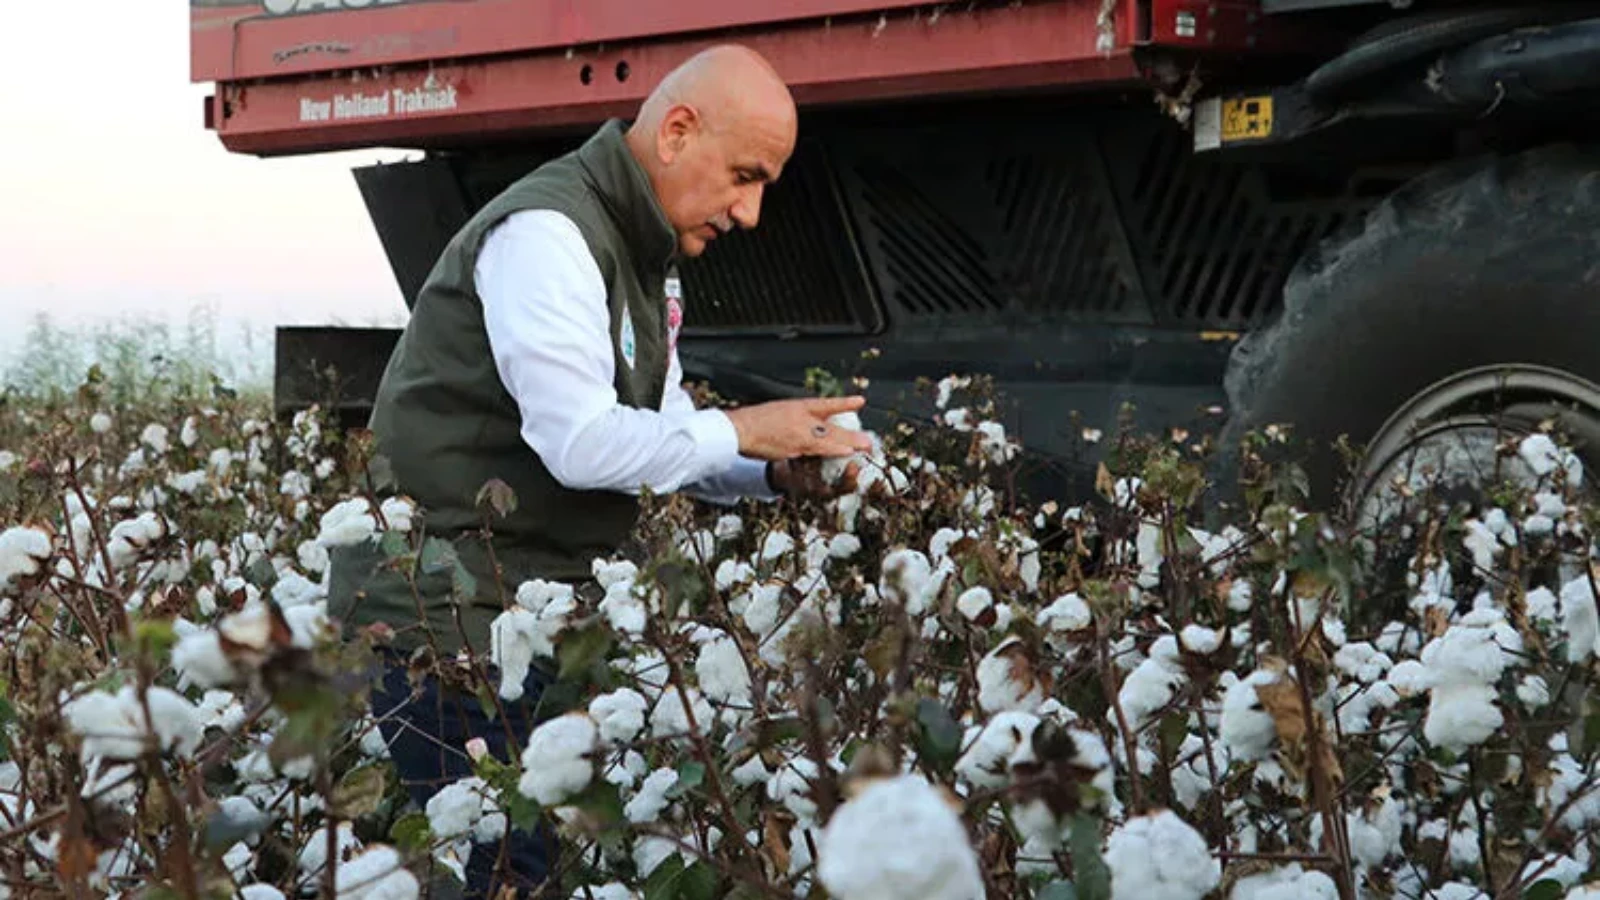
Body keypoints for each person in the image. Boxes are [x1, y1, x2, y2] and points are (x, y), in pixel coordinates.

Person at [325, 44, 871, 897]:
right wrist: (739, 430)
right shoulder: (551, 235)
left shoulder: (637, 252)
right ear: (678, 131)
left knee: (535, 864)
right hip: (448, 625)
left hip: (518, 614)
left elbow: (657, 432)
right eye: (745, 175)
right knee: (511, 872)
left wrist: (772, 470)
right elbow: (580, 444)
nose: (753, 211)